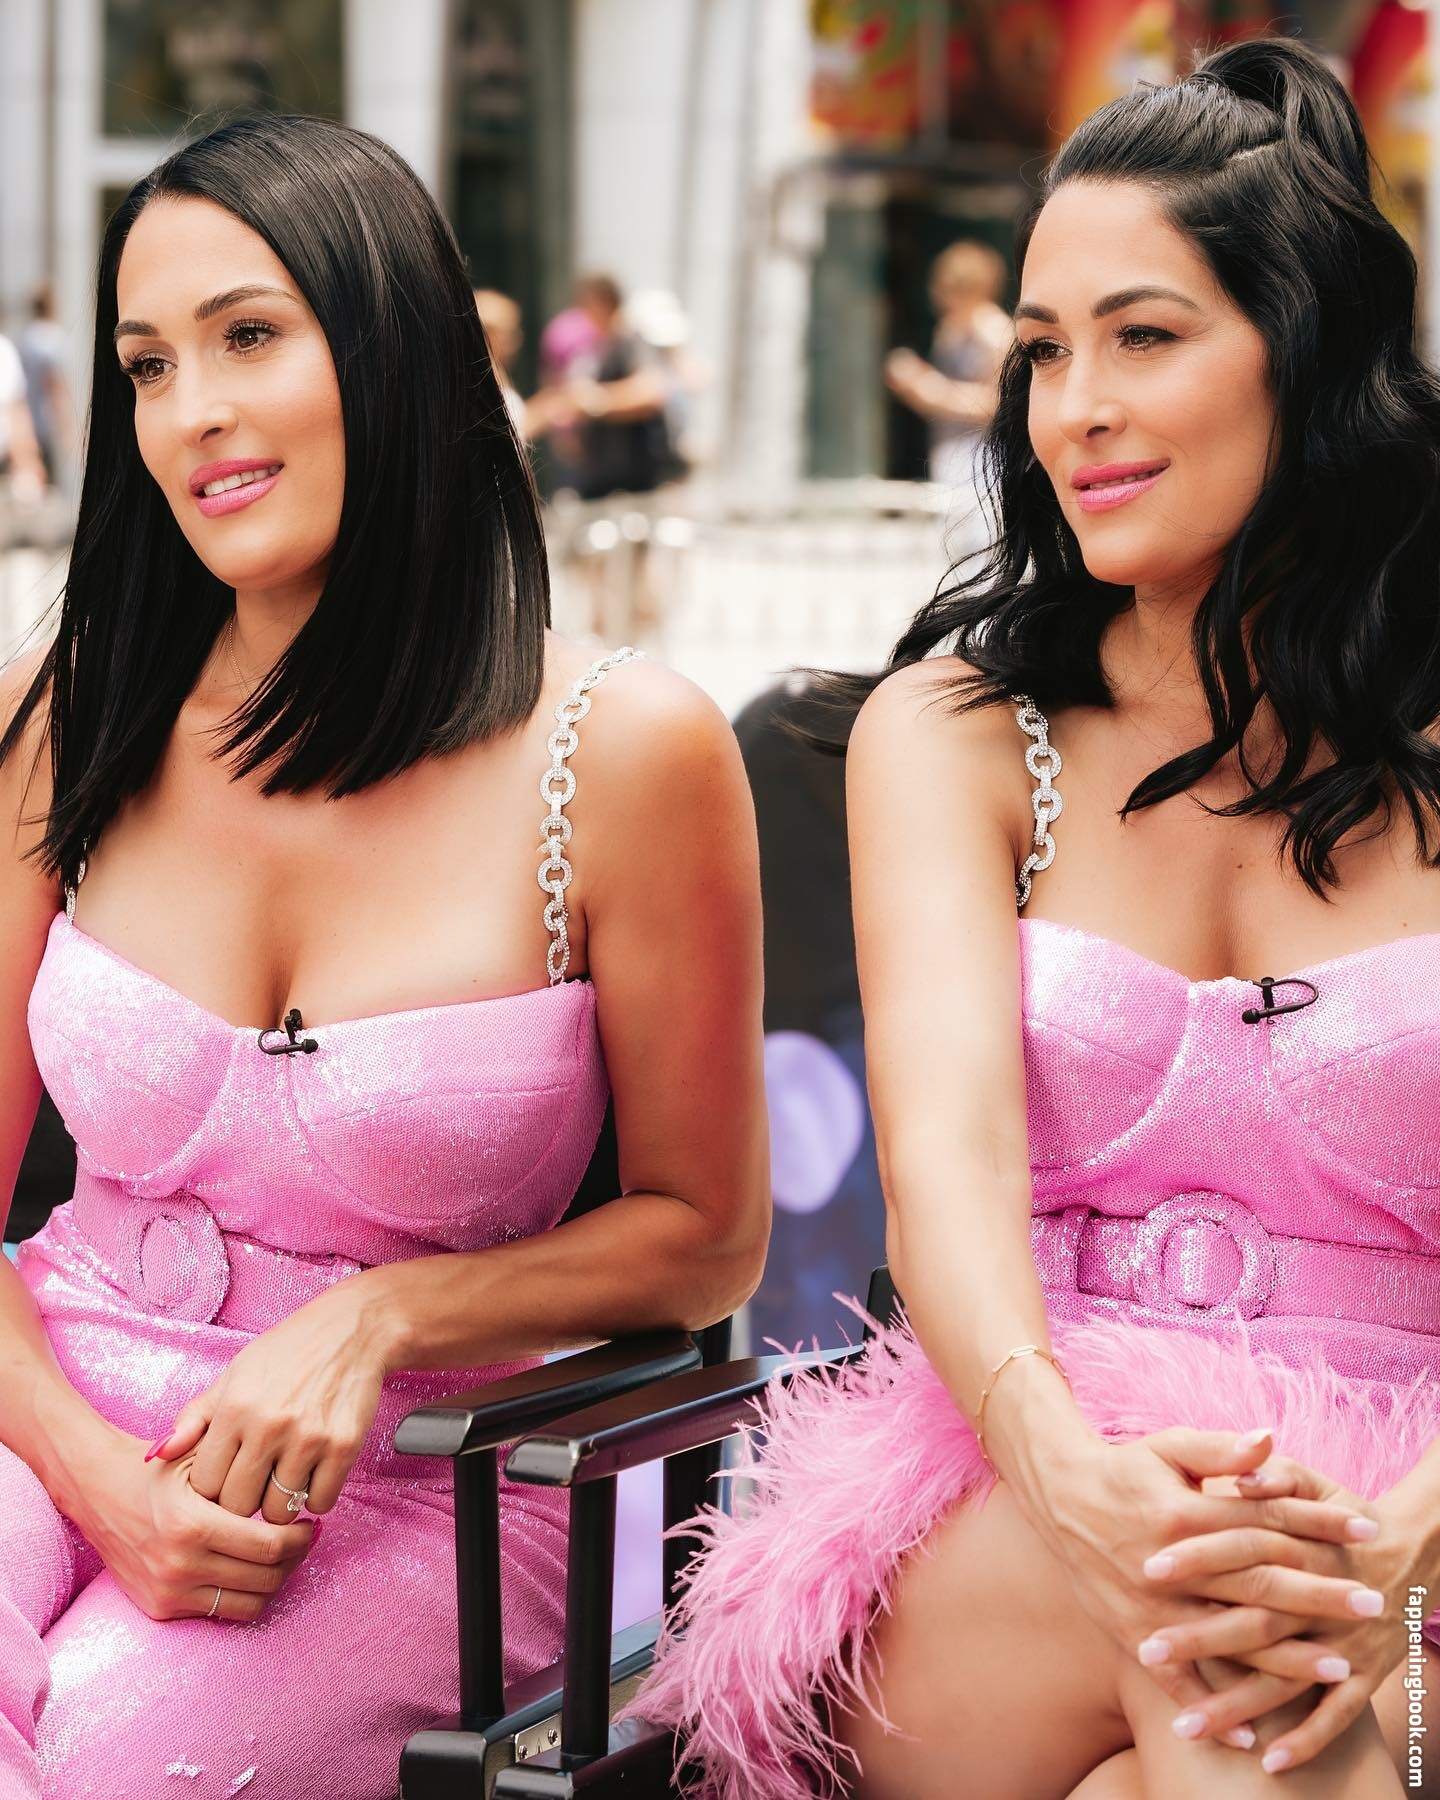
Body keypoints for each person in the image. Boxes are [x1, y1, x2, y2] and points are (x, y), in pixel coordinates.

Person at [630, 37, 1440, 1799]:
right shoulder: (960, 734)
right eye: (1045, 351)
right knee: (1211, 1639)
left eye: (1143, 338)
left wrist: (1396, 1556)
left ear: (1305, 355)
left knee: (1203, 1734)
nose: (1072, 410)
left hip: (1413, 1554)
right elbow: (944, 1182)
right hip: (1013, 1498)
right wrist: (1083, 1486)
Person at [0, 114, 769, 1799]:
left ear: (394, 349)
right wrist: (93, 1477)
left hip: (424, 1480)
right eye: (147, 365)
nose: (191, 412)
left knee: (111, 1762)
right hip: (45, 1402)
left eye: (248, 336)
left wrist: (384, 1315)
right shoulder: (70, 719)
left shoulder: (622, 752)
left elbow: (709, 1237)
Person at [884, 238, 1012, 493]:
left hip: (983, 454)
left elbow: (1001, 403)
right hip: (949, 449)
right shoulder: (949, 330)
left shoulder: (993, 331)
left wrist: (930, 390)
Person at [16, 286, 72, 489]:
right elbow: (54, 384)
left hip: (28, 418)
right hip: (47, 419)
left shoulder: (27, 337)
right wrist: (67, 425)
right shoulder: (52, 338)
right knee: (49, 478)